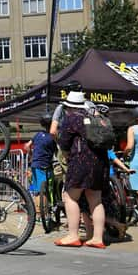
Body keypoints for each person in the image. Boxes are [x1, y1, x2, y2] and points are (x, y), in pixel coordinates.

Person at [56, 91, 108, 248]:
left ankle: (73, 235)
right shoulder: (95, 116)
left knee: (70, 196)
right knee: (96, 199)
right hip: (100, 161)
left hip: (81, 160)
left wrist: (66, 155)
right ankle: (98, 238)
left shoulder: (71, 118)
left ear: (69, 106)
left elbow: (64, 142)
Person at [24, 114, 56, 216]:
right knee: (45, 191)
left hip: (35, 164)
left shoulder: (38, 134)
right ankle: (44, 213)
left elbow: (27, 146)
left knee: (38, 191)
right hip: (45, 165)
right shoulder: (52, 137)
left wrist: (31, 156)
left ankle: (38, 214)